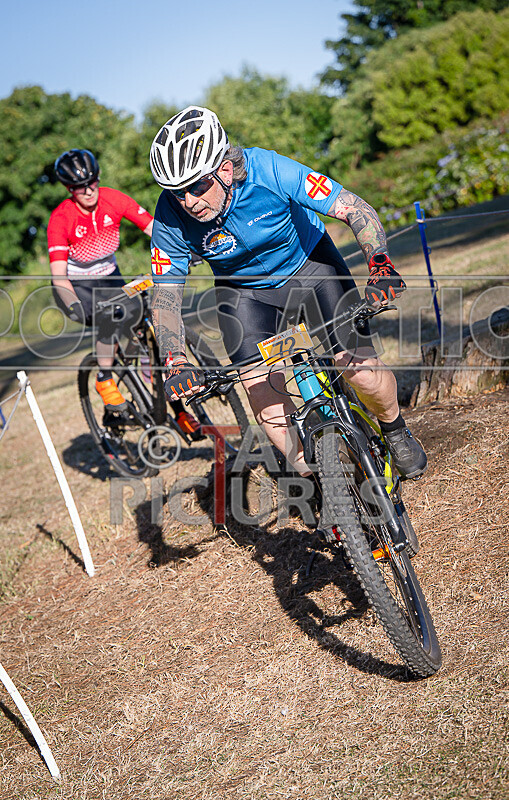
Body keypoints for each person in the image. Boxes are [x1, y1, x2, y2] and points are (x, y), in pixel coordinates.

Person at [147, 107, 427, 497]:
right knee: (261, 392)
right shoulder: (170, 218)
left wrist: (379, 264)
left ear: (224, 169)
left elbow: (353, 207)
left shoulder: (270, 170)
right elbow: (165, 295)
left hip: (311, 266)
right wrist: (175, 360)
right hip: (244, 293)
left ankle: (395, 430)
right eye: (178, 192)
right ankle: (323, 485)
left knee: (359, 368)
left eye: (197, 186)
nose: (189, 201)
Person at [47, 148, 199, 435]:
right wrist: (74, 304)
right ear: (69, 189)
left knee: (144, 326)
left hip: (110, 278)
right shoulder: (61, 218)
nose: (88, 190)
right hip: (78, 287)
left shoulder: (113, 199)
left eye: (92, 182)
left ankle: (174, 408)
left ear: (98, 178)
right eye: (80, 187)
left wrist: (183, 253)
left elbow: (154, 228)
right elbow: (58, 276)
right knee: (110, 316)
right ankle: (104, 379)